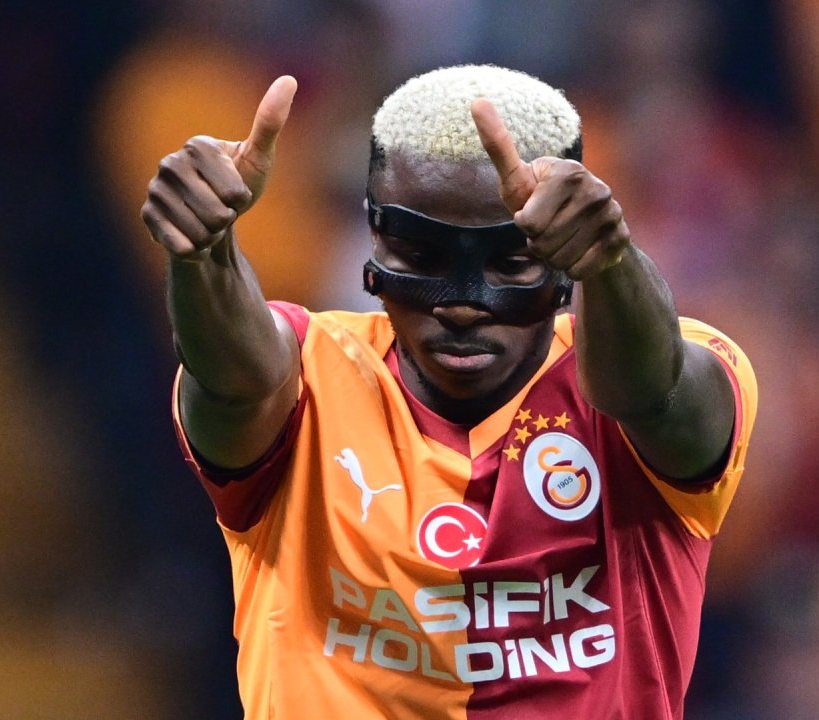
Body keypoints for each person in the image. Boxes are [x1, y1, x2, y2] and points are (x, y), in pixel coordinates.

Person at [141, 64, 757, 720]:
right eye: (422, 257)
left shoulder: (654, 371)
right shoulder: (307, 378)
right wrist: (204, 255)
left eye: (511, 262)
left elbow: (655, 393)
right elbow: (234, 381)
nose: (462, 305)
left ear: (562, 259)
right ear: (374, 245)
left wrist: (611, 263)